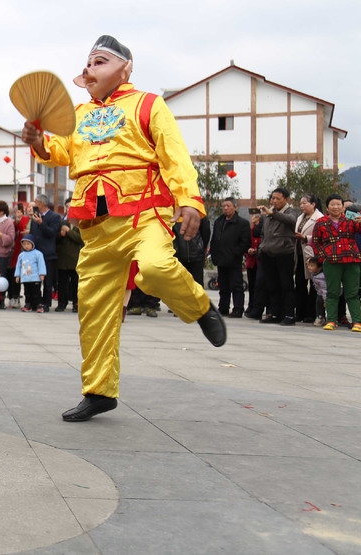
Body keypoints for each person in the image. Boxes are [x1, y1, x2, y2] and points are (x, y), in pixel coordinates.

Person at [20, 34, 226, 423]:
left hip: (144, 212)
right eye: (87, 63)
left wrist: (189, 200)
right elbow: (59, 152)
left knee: (155, 268)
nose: (89, 69)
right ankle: (99, 391)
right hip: (96, 225)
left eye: (99, 61)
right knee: (94, 309)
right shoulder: (78, 114)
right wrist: (39, 143)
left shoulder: (149, 104)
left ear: (125, 68)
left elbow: (174, 156)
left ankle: (199, 307)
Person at [311, 194, 361, 332]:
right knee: (332, 292)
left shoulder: (352, 220)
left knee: (352, 293)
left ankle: (357, 321)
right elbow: (316, 242)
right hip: (331, 261)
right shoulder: (321, 222)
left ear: (343, 207)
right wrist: (323, 257)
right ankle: (331, 320)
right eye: (332, 204)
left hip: (351, 260)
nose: (336, 207)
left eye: (339, 204)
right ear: (327, 207)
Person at [257, 188, 300, 326]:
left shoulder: (290, 211)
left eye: (278, 198)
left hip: (284, 253)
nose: (274, 201)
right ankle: (275, 313)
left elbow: (291, 221)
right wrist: (262, 247)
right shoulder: (268, 213)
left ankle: (289, 314)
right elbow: (263, 233)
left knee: (286, 285)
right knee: (272, 286)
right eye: (273, 198)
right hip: (268, 253)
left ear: (286, 199)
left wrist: (273, 214)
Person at [209, 198, 251, 318]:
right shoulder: (219, 222)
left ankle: (238, 309)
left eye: (228, 206)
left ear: (235, 207)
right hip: (221, 259)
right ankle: (223, 308)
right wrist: (214, 253)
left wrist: (235, 253)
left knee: (236, 286)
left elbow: (245, 243)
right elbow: (214, 239)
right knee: (223, 286)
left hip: (234, 260)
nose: (225, 208)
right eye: (224, 206)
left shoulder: (242, 223)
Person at [293, 194, 324, 324]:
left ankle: (311, 313)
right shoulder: (300, 217)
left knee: (314, 285)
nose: (302, 206)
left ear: (313, 204)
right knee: (300, 283)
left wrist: (305, 238)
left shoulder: (320, 218)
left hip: (313, 255)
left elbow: (321, 236)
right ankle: (300, 312)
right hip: (300, 255)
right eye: (300, 203)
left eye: (304, 203)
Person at [29, 195, 62, 311]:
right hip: (35, 252)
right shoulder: (35, 216)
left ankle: (46, 303)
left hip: (48, 253)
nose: (35, 204)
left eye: (36, 202)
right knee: (35, 280)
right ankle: (36, 302)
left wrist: (41, 223)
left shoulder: (54, 217)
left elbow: (52, 233)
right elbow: (32, 233)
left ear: (42, 203)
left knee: (48, 281)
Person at [55, 201, 83, 313]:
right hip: (62, 258)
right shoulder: (62, 222)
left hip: (75, 258)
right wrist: (60, 235)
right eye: (67, 207)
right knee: (62, 283)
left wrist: (69, 232)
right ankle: (62, 303)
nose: (68, 209)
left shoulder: (81, 223)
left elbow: (81, 239)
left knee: (75, 282)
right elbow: (55, 238)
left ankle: (76, 303)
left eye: (71, 207)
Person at [172, 213, 210, 287]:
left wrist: (201, 247)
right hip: (179, 256)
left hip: (197, 256)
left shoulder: (199, 214)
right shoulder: (174, 214)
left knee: (197, 285)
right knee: (180, 286)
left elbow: (206, 232)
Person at [5, 205, 31, 308]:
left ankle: (27, 299)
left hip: (29, 248)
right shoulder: (15, 221)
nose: (18, 214)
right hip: (17, 249)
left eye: (20, 211)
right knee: (14, 274)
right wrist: (17, 221)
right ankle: (13, 297)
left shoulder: (29, 219)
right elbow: (14, 230)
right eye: (17, 212)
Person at [14, 234, 46, 312]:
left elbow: (41, 264)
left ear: (32, 244)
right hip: (26, 278)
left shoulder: (38, 254)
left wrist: (42, 274)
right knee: (27, 292)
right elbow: (18, 266)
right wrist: (17, 275)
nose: (26, 246)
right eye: (24, 244)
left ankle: (38, 305)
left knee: (36, 292)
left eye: (28, 244)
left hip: (35, 277)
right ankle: (28, 304)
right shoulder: (21, 255)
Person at [244, 213, 265, 319]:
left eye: (255, 216)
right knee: (251, 285)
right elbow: (246, 242)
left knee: (259, 285)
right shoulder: (250, 230)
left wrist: (257, 250)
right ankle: (251, 305)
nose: (252, 218)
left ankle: (258, 307)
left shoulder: (263, 229)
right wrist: (248, 250)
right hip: (251, 260)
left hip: (260, 260)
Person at [306, 257, 327, 327]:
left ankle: (325, 318)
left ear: (319, 268)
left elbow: (324, 288)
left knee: (321, 304)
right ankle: (320, 317)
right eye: (309, 265)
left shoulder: (321, 277)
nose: (309, 267)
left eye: (312, 266)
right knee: (318, 304)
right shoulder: (314, 274)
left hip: (325, 294)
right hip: (319, 293)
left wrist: (325, 299)